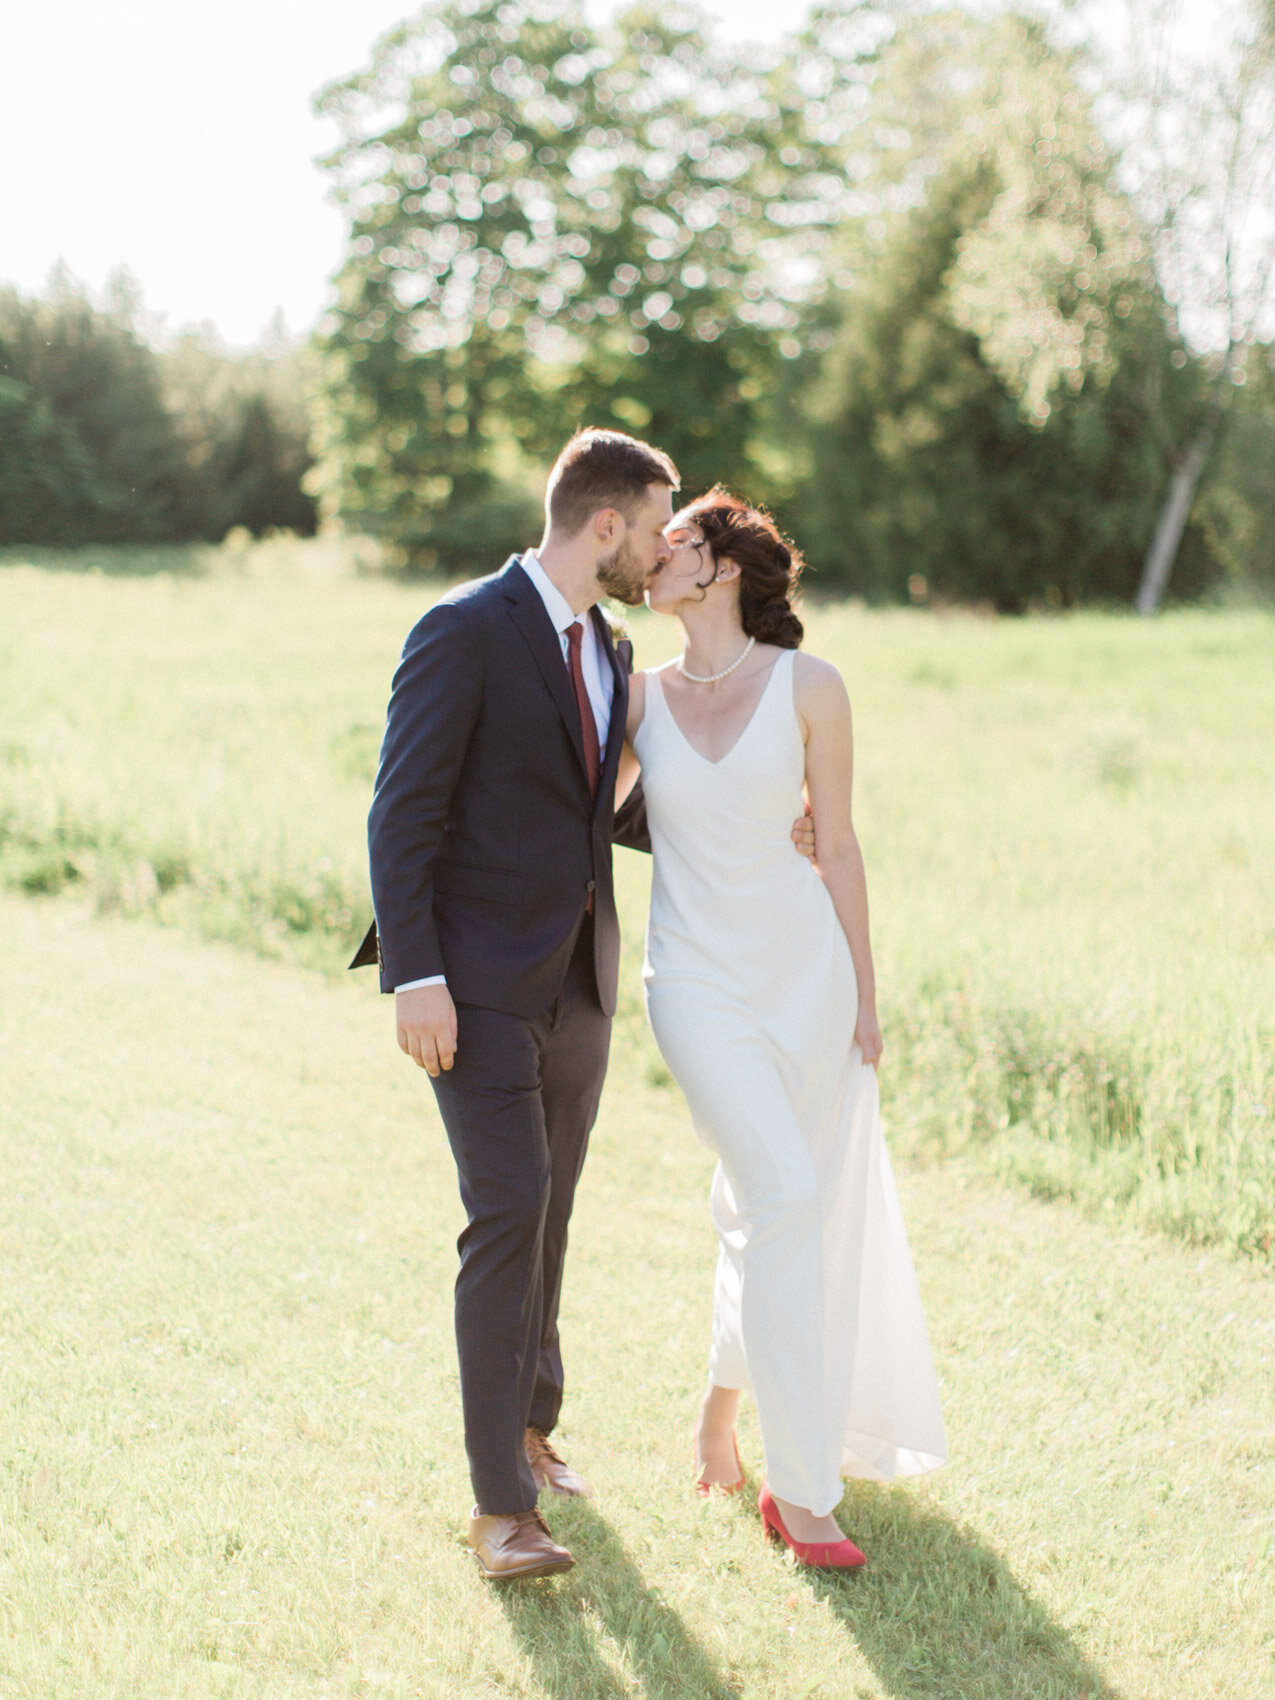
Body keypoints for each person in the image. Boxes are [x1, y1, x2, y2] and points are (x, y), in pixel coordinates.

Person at [352, 433, 815, 1581]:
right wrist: (415, 974)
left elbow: (597, 810)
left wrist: (766, 828)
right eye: (657, 522)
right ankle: (500, 1510)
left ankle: (530, 1424)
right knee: (507, 1209)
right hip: (471, 987)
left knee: (549, 1212)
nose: (664, 544)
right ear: (605, 525)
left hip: (581, 981)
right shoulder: (463, 628)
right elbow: (400, 812)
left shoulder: (608, 649)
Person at [620, 489, 946, 1569]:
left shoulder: (813, 686)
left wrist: (863, 987)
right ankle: (802, 1494)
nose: (653, 557)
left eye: (675, 545)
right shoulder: (636, 693)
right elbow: (582, 811)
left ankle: (719, 1410)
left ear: (721, 570)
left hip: (805, 976)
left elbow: (839, 846)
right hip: (695, 983)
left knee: (769, 1207)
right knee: (785, 1197)